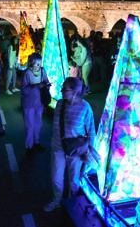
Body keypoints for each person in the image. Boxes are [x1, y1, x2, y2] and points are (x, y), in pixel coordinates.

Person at [44, 77, 96, 212]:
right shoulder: (60, 104)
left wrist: (88, 152)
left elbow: (91, 132)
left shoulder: (85, 107)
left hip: (75, 150)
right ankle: (57, 200)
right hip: (57, 147)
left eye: (64, 89)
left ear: (75, 91)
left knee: (74, 180)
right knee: (56, 177)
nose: (61, 91)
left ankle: (72, 203)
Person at [21, 52, 50, 153]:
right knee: (30, 125)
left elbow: (46, 81)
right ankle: (29, 145)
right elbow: (24, 90)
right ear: (31, 63)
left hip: (40, 102)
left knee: (38, 123)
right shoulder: (27, 73)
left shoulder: (43, 71)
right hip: (28, 103)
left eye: (40, 63)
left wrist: (47, 85)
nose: (39, 66)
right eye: (37, 64)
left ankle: (36, 142)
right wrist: (36, 86)